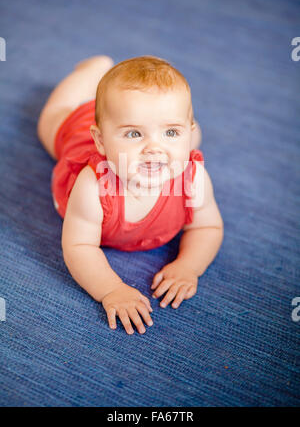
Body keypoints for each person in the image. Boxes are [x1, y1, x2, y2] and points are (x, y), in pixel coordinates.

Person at [37, 55, 224, 335]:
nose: (153, 148)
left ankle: (169, 119)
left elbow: (207, 226)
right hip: (77, 137)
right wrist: (111, 289)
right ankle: (93, 71)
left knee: (184, 140)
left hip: (150, 132)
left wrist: (189, 266)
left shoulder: (193, 177)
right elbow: (79, 247)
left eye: (171, 132)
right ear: (101, 140)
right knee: (53, 119)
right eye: (134, 134)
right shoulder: (93, 187)